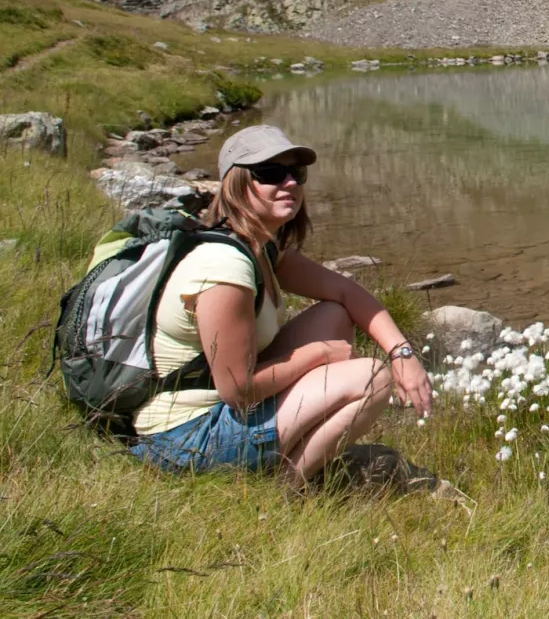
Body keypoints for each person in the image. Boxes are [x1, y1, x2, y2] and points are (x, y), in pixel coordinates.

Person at [128, 124, 432, 483]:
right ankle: (287, 487)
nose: (289, 183)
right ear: (235, 183)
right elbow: (238, 390)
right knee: (372, 379)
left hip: (214, 415)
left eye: (296, 173)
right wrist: (318, 354)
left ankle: (288, 458)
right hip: (184, 441)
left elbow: (348, 294)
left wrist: (402, 353)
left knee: (334, 314)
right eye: (271, 173)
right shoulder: (225, 267)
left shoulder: (261, 248)